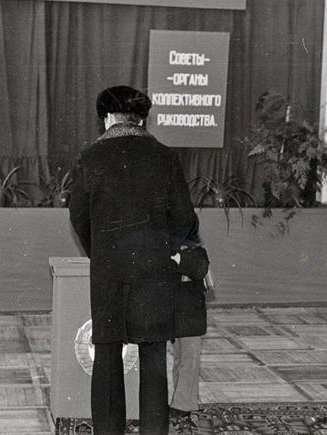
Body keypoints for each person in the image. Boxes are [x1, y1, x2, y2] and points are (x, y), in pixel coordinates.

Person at [69, 85, 198, 435]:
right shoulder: (165, 156)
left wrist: (102, 252)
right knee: (153, 357)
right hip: (154, 270)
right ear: (142, 119)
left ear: (108, 118)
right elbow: (185, 219)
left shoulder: (90, 157)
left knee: (107, 355)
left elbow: (78, 216)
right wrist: (161, 249)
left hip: (109, 271)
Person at [169, 233, 210, 433]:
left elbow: (200, 269)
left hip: (191, 317)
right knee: (180, 361)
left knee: (189, 361)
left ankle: (182, 406)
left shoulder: (198, 253)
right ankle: (181, 402)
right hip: (175, 315)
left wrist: (178, 258)